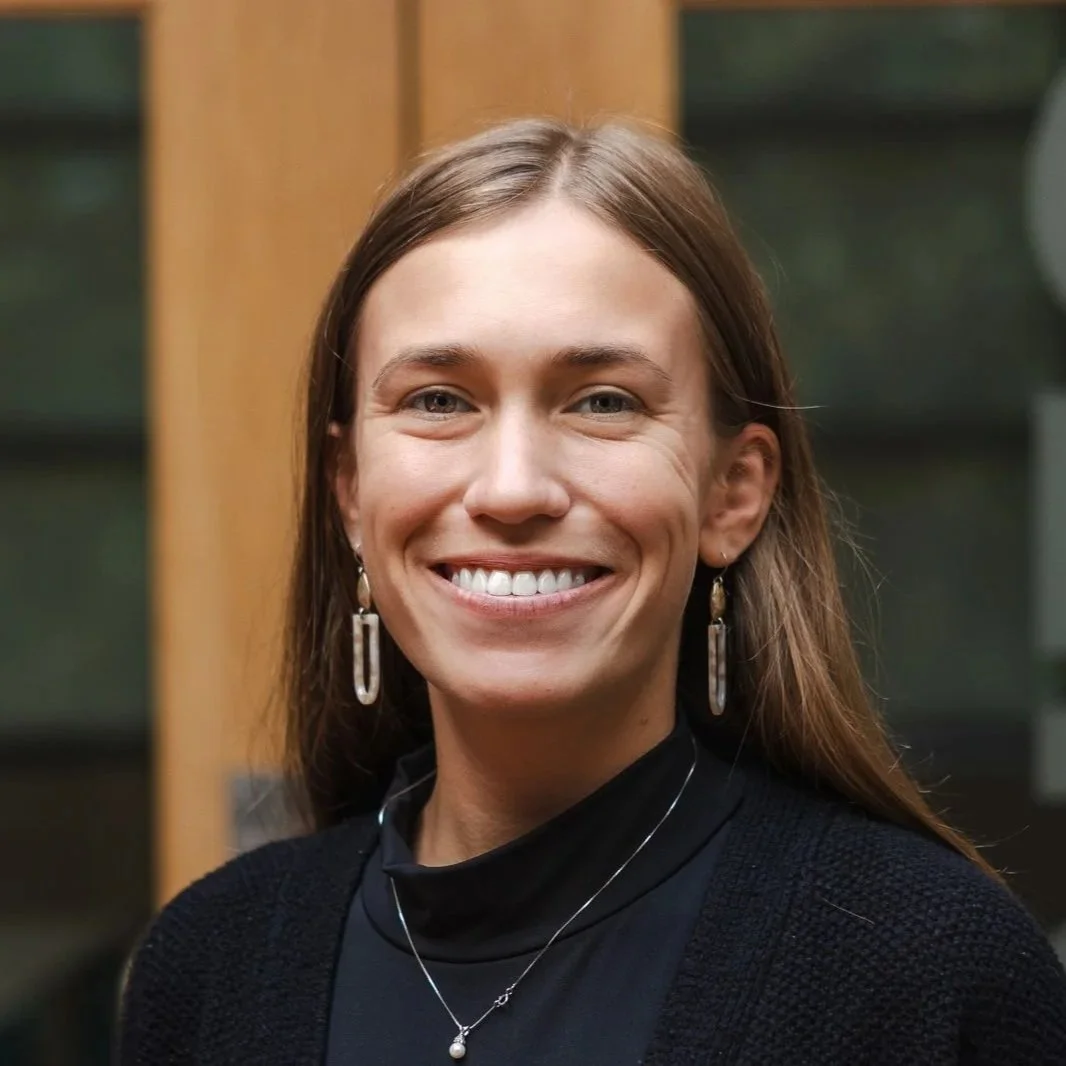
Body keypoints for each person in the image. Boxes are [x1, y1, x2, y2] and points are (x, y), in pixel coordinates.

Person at [118, 118, 1066, 1065]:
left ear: (732, 493)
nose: (514, 487)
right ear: (352, 492)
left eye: (603, 401)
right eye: (439, 401)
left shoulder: (929, 971)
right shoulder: (209, 971)